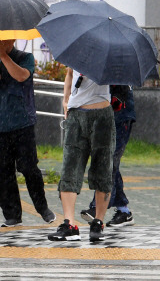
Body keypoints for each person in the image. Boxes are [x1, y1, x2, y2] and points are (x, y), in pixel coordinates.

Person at [0, 38, 56, 227]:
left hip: (22, 123)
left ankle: (42, 208)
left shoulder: (25, 58)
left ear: (12, 39)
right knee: (2, 173)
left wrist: (4, 57)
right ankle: (12, 214)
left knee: (29, 168)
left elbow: (22, 76)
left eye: (2, 40)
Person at [48, 69, 115, 242]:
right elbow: (69, 74)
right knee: (69, 168)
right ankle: (69, 224)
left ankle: (98, 222)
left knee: (103, 169)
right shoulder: (78, 49)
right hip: (76, 114)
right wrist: (65, 100)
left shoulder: (108, 51)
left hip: (102, 115)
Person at [80, 85, 135, 227]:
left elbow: (120, 89)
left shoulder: (122, 67)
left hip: (120, 117)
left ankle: (96, 207)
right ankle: (124, 211)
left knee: (109, 161)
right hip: (105, 116)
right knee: (109, 162)